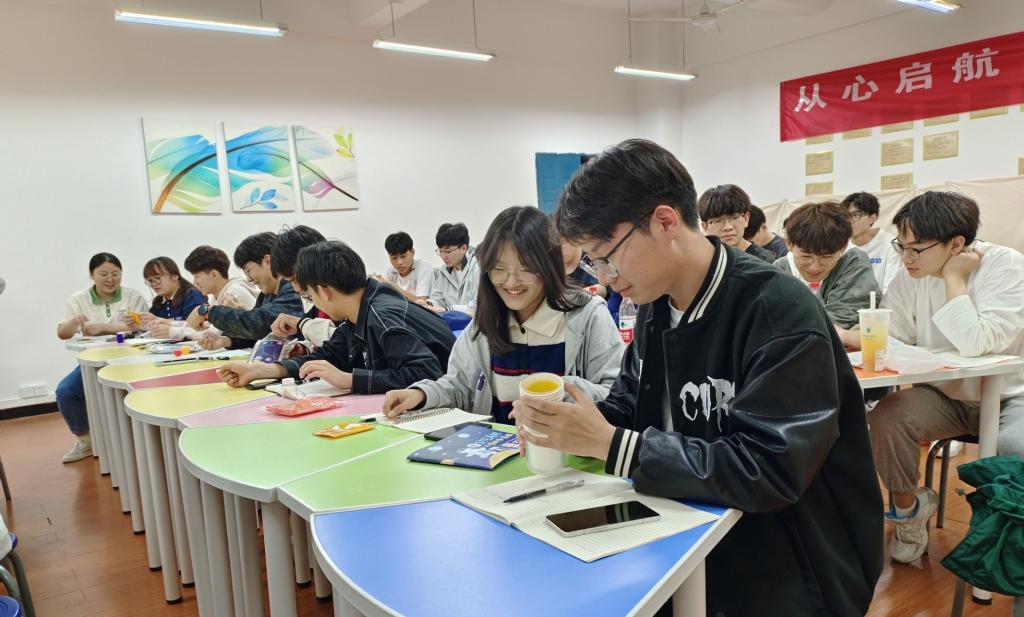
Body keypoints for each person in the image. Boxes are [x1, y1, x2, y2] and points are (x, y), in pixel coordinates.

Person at [514, 139, 881, 616]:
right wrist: (571, 425)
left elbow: (769, 469)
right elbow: (633, 403)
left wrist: (612, 445)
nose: (603, 275)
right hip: (687, 528)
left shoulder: (776, 308)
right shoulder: (656, 303)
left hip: (789, 558)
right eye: (591, 261)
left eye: (605, 255)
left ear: (665, 222)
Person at [856, 191, 1024, 564]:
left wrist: (953, 278)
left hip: (1011, 395)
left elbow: (976, 343)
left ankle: (1001, 546)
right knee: (886, 418)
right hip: (946, 396)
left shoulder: (1006, 266)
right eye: (901, 247)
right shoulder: (910, 275)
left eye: (916, 249)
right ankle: (910, 512)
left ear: (956, 244)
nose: (906, 258)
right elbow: (894, 334)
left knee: (1015, 447)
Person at [383, 206, 624, 424]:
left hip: (567, 454)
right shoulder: (486, 324)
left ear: (548, 266)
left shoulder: (588, 317)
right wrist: (421, 394)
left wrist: (565, 391)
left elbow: (618, 398)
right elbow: (459, 387)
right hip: (499, 455)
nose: (511, 282)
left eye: (526, 269)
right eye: (499, 269)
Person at [219, 240, 454, 393]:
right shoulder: (357, 312)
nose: (311, 300)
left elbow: (427, 373)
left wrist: (349, 379)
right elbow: (329, 356)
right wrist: (262, 370)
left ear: (323, 291)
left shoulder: (381, 315)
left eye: (310, 294)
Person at [55, 253, 147, 463]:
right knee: (66, 392)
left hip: (131, 361)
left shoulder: (133, 296)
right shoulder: (78, 299)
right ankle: (85, 441)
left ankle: (134, 442)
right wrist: (75, 322)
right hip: (93, 362)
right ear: (92, 275)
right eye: (103, 274)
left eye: (115, 274)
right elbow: (63, 333)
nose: (110, 279)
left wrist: (100, 327)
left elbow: (140, 326)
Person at [774, 201, 880, 343]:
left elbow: (840, 320)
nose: (815, 267)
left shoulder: (853, 261)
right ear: (789, 244)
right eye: (806, 256)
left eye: (826, 257)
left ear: (843, 247)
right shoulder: (780, 270)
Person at [185, 232, 304, 349]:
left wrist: (206, 311)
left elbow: (259, 322)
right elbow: (261, 334)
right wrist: (225, 341)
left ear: (267, 261)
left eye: (248, 270)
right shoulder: (266, 295)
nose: (249, 279)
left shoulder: (293, 289)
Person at [840, 191, 902, 294]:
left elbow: (890, 289)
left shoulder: (890, 245)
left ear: (872, 218)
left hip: (879, 303)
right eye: (846, 215)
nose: (849, 220)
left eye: (855, 215)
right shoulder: (840, 245)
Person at [697, 185, 776, 262]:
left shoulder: (765, 262)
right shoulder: (700, 261)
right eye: (718, 220)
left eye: (735, 217)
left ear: (746, 219)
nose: (728, 227)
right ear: (705, 226)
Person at [424, 222, 479, 316]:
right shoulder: (443, 272)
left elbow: (478, 306)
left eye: (448, 251)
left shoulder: (477, 267)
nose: (444, 256)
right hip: (453, 321)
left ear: (464, 248)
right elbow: (438, 298)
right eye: (441, 251)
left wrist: (448, 309)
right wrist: (428, 304)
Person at [140, 257, 206, 334]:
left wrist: (158, 320)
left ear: (175, 276)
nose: (154, 284)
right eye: (150, 281)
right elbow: (152, 325)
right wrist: (141, 324)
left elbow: (194, 325)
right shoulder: (158, 302)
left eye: (157, 278)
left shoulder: (192, 296)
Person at [375, 231, 434, 302]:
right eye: (394, 258)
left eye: (403, 256)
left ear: (413, 252)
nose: (399, 262)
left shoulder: (423, 267)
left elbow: (422, 303)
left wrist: (391, 286)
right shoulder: (391, 270)